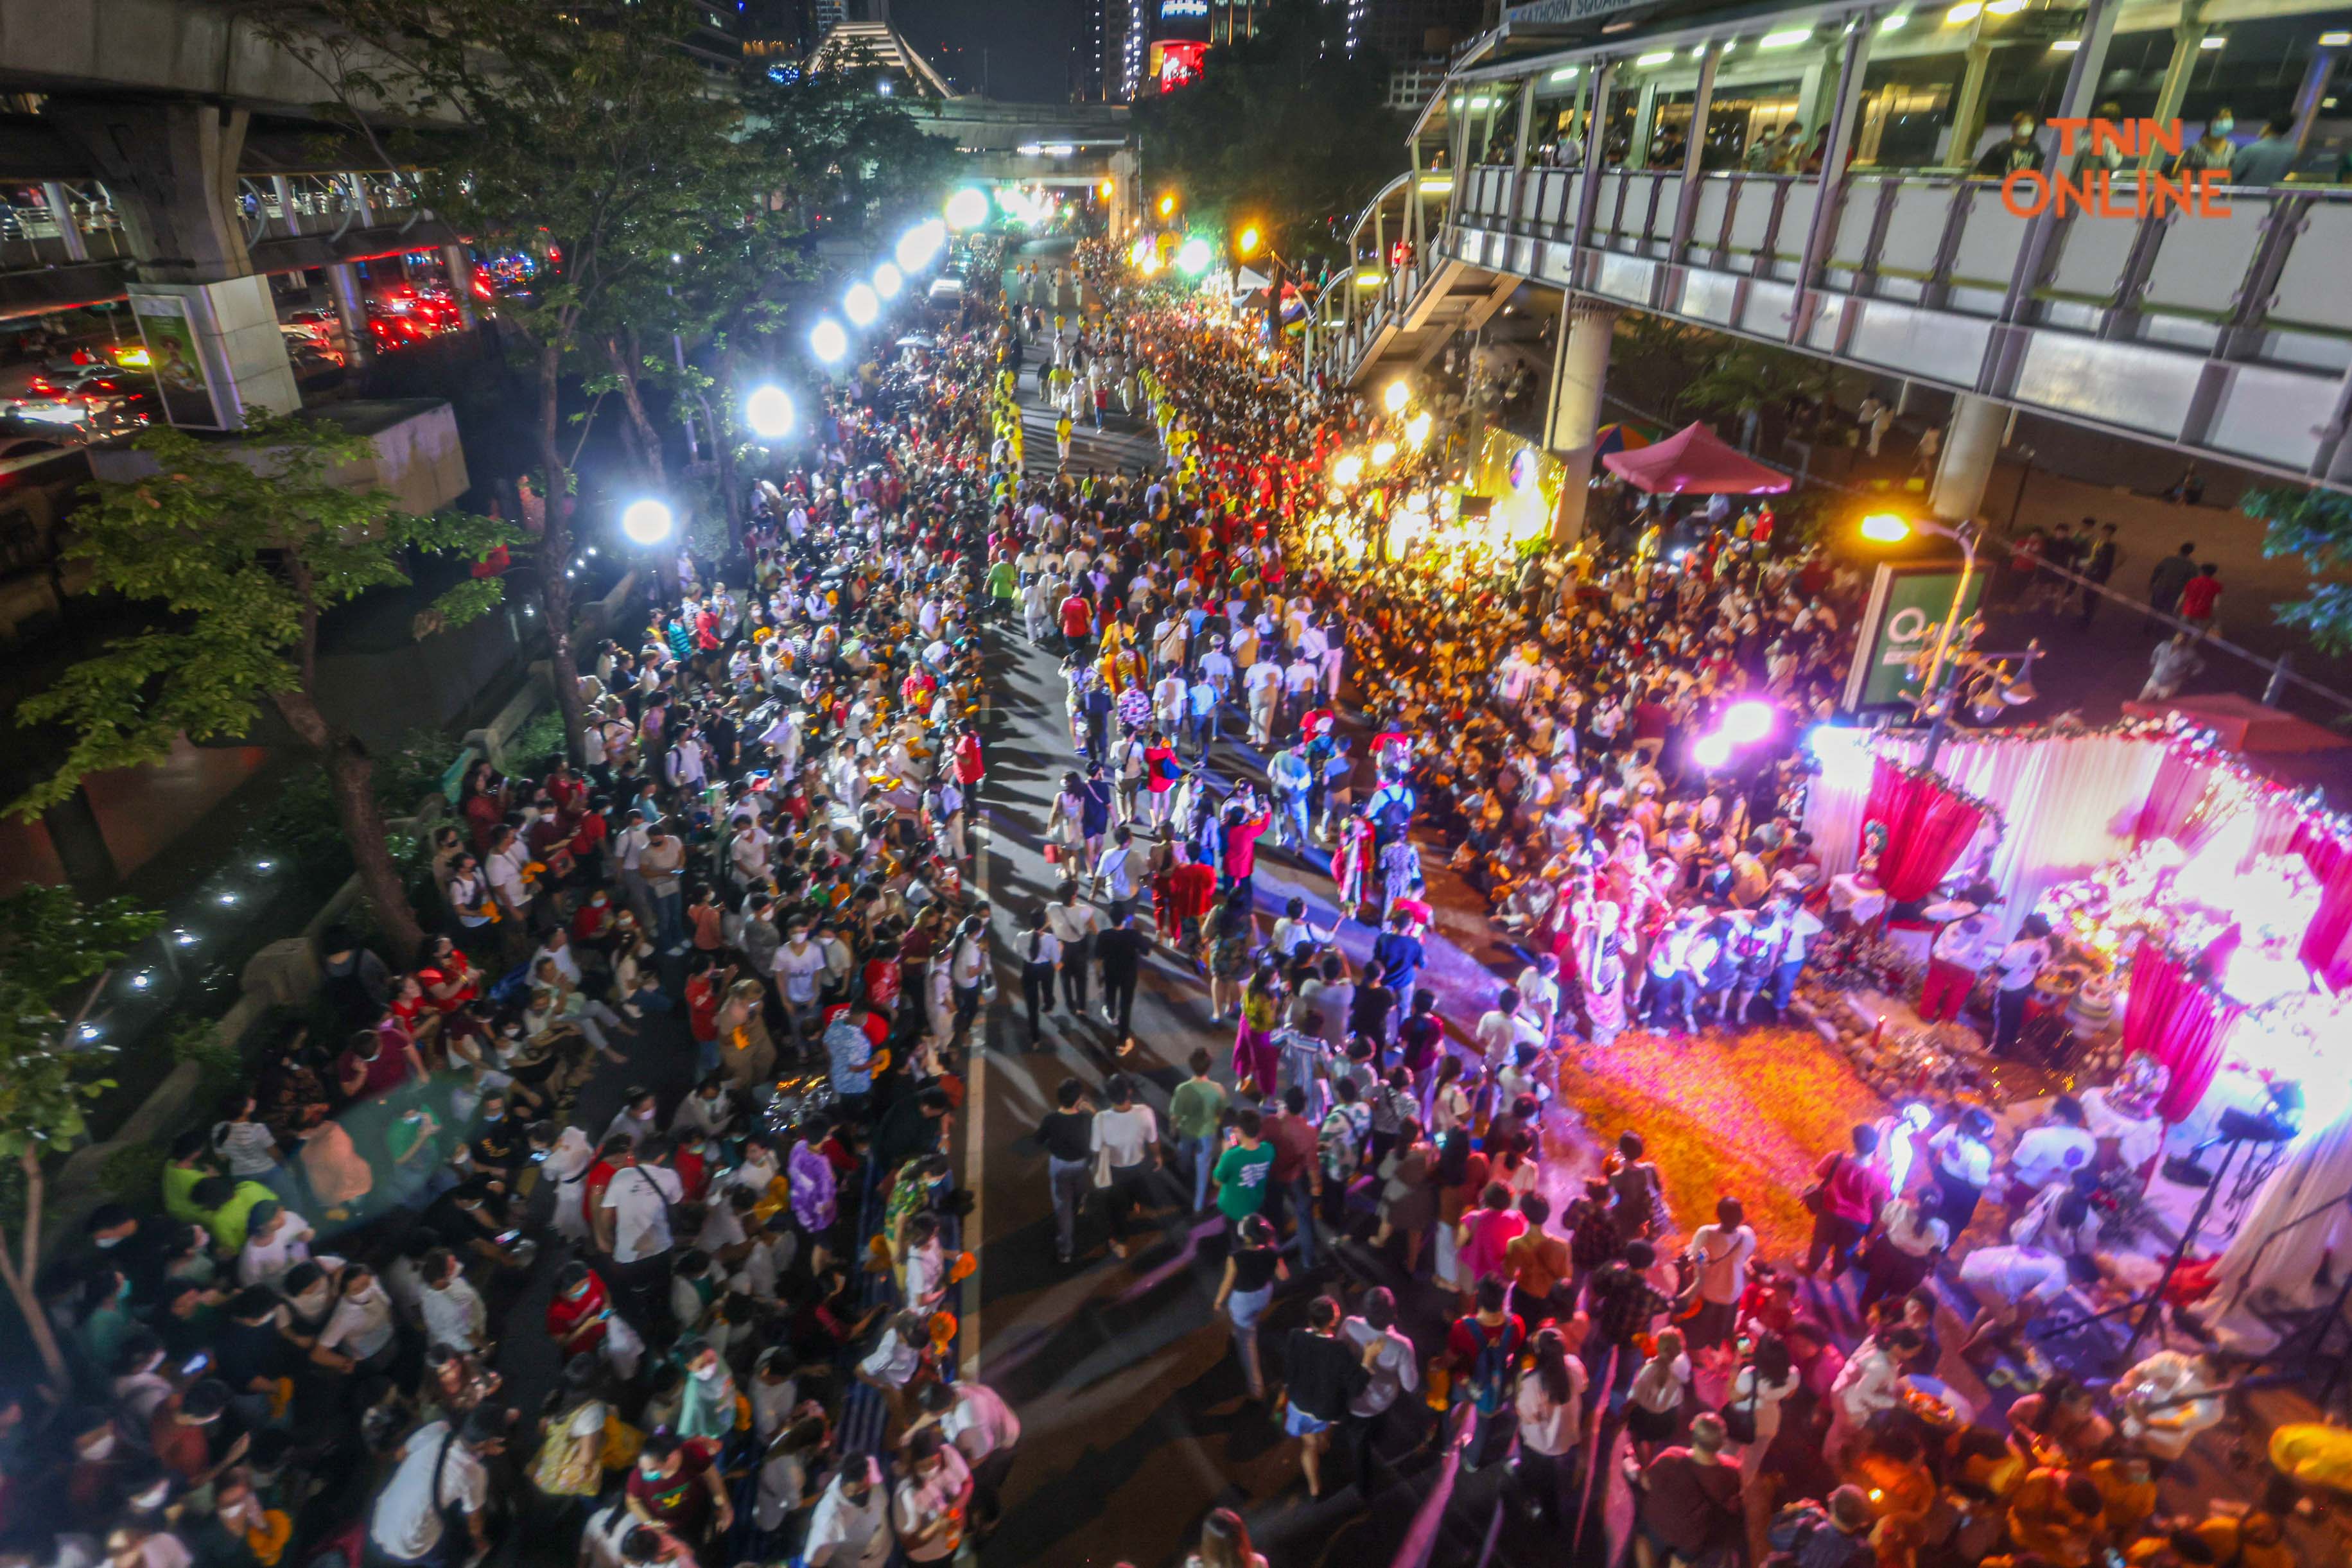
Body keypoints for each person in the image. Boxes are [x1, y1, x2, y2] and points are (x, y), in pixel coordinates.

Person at [367, 1405, 507, 1568]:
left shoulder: (438, 1429)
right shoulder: (473, 1473)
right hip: (408, 1544)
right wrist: (480, 1541)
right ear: (487, 1443)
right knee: (444, 1557)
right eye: (499, 1443)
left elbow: (400, 1455)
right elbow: (474, 1523)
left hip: (380, 1519)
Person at [1278, 1294, 1375, 1498]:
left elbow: (1289, 1368)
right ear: (1333, 1321)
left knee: (1309, 1445)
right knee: (1320, 1437)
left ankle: (1315, 1489)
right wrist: (1368, 1359)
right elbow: (1357, 1387)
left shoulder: (1295, 1336)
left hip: (1299, 1403)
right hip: (1325, 1409)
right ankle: (1323, 1444)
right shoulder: (1339, 1350)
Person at [1630, 1412, 1742, 1568]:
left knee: (1643, 1537)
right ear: (1721, 1443)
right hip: (1693, 1537)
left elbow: (1646, 1483)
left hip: (1658, 1525)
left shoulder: (1671, 1457)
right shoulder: (1732, 1471)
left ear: (1693, 1435)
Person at [1512, 1324, 1587, 1526]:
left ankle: (1548, 1519)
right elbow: (1584, 1386)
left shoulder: (1532, 1382)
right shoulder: (1574, 1365)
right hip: (1568, 1435)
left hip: (1542, 1444)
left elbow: (1528, 1417)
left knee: (1544, 1482)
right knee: (1558, 1478)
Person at [1210, 1214, 1285, 1400]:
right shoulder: (1272, 1251)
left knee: (1246, 1343)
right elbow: (1284, 1276)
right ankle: (1245, 1328)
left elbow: (1227, 1283)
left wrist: (1218, 1302)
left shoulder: (1236, 1257)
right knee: (1250, 1322)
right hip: (1264, 1294)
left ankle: (1256, 1387)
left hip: (1243, 1300)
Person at [1170, 1049, 1228, 1214]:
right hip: (1207, 1133)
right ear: (1209, 1067)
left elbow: (1175, 1115)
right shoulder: (1218, 1089)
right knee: (1204, 1168)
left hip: (1187, 1130)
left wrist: (1173, 1129)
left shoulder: (1182, 1089)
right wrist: (1216, 1121)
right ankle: (1198, 1206)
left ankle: (1182, 1168)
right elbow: (1222, 1111)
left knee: (1184, 1151)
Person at [2229, 114, 2303, 185]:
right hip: (2271, 196)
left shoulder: (2253, 149)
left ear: (2268, 126)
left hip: (2243, 195)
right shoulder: (2292, 151)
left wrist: (2218, 172)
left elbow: (2232, 174)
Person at [2145, 541, 2198, 630]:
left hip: (2161, 587)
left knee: (2155, 608)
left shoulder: (2169, 560)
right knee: (2168, 610)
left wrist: (2151, 583)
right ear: (2191, 552)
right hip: (2175, 591)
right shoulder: (2191, 566)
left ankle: (2149, 626)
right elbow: (2193, 581)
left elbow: (2157, 572)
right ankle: (2161, 628)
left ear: (2180, 549)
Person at [1974, 112, 2045, 177]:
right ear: (2014, 127)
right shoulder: (2001, 148)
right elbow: (1981, 172)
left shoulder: (2035, 149)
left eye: (2030, 123)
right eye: (2024, 123)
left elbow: (2041, 171)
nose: (2028, 126)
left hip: (2025, 189)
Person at [2143, 631, 2206, 700]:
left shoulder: (2189, 653)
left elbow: (2200, 666)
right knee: (2140, 703)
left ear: (2186, 641)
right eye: (2178, 637)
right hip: (2154, 680)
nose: (2179, 640)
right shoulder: (2164, 645)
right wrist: (2153, 671)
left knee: (2162, 707)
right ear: (2175, 637)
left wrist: (2187, 675)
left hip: (2170, 685)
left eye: (2183, 639)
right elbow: (2154, 657)